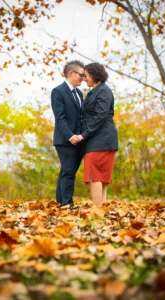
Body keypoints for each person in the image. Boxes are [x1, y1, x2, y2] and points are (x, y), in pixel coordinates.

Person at [78, 62, 118, 207]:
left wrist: (84, 135)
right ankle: (101, 210)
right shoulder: (95, 91)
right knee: (100, 176)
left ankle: (97, 210)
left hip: (102, 138)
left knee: (95, 175)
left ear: (94, 75)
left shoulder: (104, 91)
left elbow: (100, 116)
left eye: (86, 75)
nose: (84, 78)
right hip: (97, 138)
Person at [51, 60, 85, 208]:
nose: (83, 78)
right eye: (81, 75)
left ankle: (60, 201)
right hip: (64, 139)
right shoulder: (58, 91)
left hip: (78, 140)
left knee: (67, 171)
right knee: (69, 170)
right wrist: (70, 136)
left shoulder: (79, 93)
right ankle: (67, 203)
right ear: (71, 73)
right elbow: (60, 118)